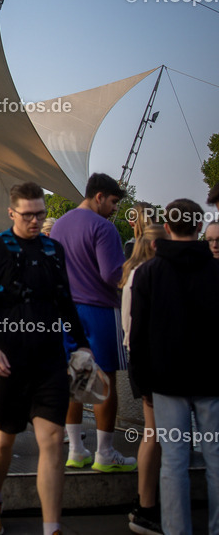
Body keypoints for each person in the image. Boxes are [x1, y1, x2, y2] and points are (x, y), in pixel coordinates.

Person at [0, 181, 92, 535]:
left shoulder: (53, 250)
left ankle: (52, 528)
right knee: (4, 438)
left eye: (41, 214)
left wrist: (82, 344)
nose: (35, 221)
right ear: (12, 213)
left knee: (51, 440)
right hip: (7, 361)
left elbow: (65, 301)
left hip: (49, 361)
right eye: (28, 215)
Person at [130, 199, 219, 535]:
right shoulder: (215, 270)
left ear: (167, 227)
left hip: (166, 383)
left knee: (174, 461)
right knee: (216, 458)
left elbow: (138, 335)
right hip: (211, 380)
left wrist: (141, 384)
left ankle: (176, 530)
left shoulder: (149, 273)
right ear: (199, 227)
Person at [52, 173, 133, 472]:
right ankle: (105, 453)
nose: (114, 209)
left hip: (67, 312)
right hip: (99, 310)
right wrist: (136, 266)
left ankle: (75, 450)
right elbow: (112, 274)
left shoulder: (59, 225)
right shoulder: (104, 228)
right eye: (113, 202)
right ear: (99, 196)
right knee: (104, 382)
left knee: (75, 379)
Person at [119, 223, 167, 535]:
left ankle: (146, 502)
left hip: (140, 355)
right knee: (155, 433)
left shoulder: (131, 274)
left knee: (155, 432)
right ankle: (146, 503)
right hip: (150, 358)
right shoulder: (147, 276)